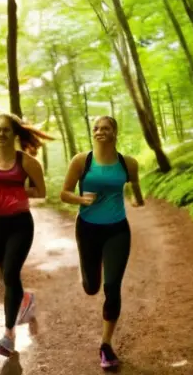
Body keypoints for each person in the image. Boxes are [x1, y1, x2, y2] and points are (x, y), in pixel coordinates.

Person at [59, 115, 145, 370]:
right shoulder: (81, 161)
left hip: (118, 230)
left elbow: (136, 189)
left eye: (105, 128)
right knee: (91, 287)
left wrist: (137, 199)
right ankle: (86, 270)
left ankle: (106, 345)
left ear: (115, 132)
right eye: (96, 128)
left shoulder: (128, 163)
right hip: (87, 229)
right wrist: (81, 201)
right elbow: (64, 194)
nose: (100, 131)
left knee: (112, 286)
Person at [0, 113, 53, 357]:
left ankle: (8, 335)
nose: (1, 134)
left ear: (15, 134)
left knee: (10, 273)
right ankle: (25, 299)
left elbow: (41, 191)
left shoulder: (26, 162)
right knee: (9, 278)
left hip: (19, 224)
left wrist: (18, 192)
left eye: (6, 130)